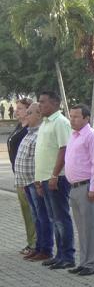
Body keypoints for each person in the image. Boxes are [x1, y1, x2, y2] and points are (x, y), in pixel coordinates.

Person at [35, 91, 75, 270]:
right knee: (53, 218)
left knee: (61, 218)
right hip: (45, 178)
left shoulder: (60, 122)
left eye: (42, 102)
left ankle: (67, 256)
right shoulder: (45, 123)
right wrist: (38, 179)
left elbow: (64, 149)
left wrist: (53, 175)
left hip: (57, 178)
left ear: (54, 104)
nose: (39, 105)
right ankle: (59, 255)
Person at [64, 104, 94, 276]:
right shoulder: (74, 135)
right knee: (81, 227)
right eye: (71, 116)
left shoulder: (92, 136)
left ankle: (92, 263)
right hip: (74, 187)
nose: (72, 119)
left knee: (90, 227)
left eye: (76, 116)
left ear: (87, 118)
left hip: (87, 187)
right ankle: (84, 261)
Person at [16, 103, 53, 262]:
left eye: (30, 113)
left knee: (42, 216)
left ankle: (46, 249)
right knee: (36, 216)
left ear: (39, 114)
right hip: (27, 182)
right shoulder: (29, 132)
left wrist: (37, 182)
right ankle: (38, 247)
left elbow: (40, 160)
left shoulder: (40, 134)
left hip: (35, 182)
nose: (26, 115)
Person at [8, 98, 36, 255]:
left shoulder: (29, 129)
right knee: (26, 212)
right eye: (16, 108)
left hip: (28, 178)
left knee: (33, 212)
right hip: (18, 176)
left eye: (20, 108)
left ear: (28, 110)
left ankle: (36, 243)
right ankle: (30, 242)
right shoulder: (20, 127)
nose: (16, 110)